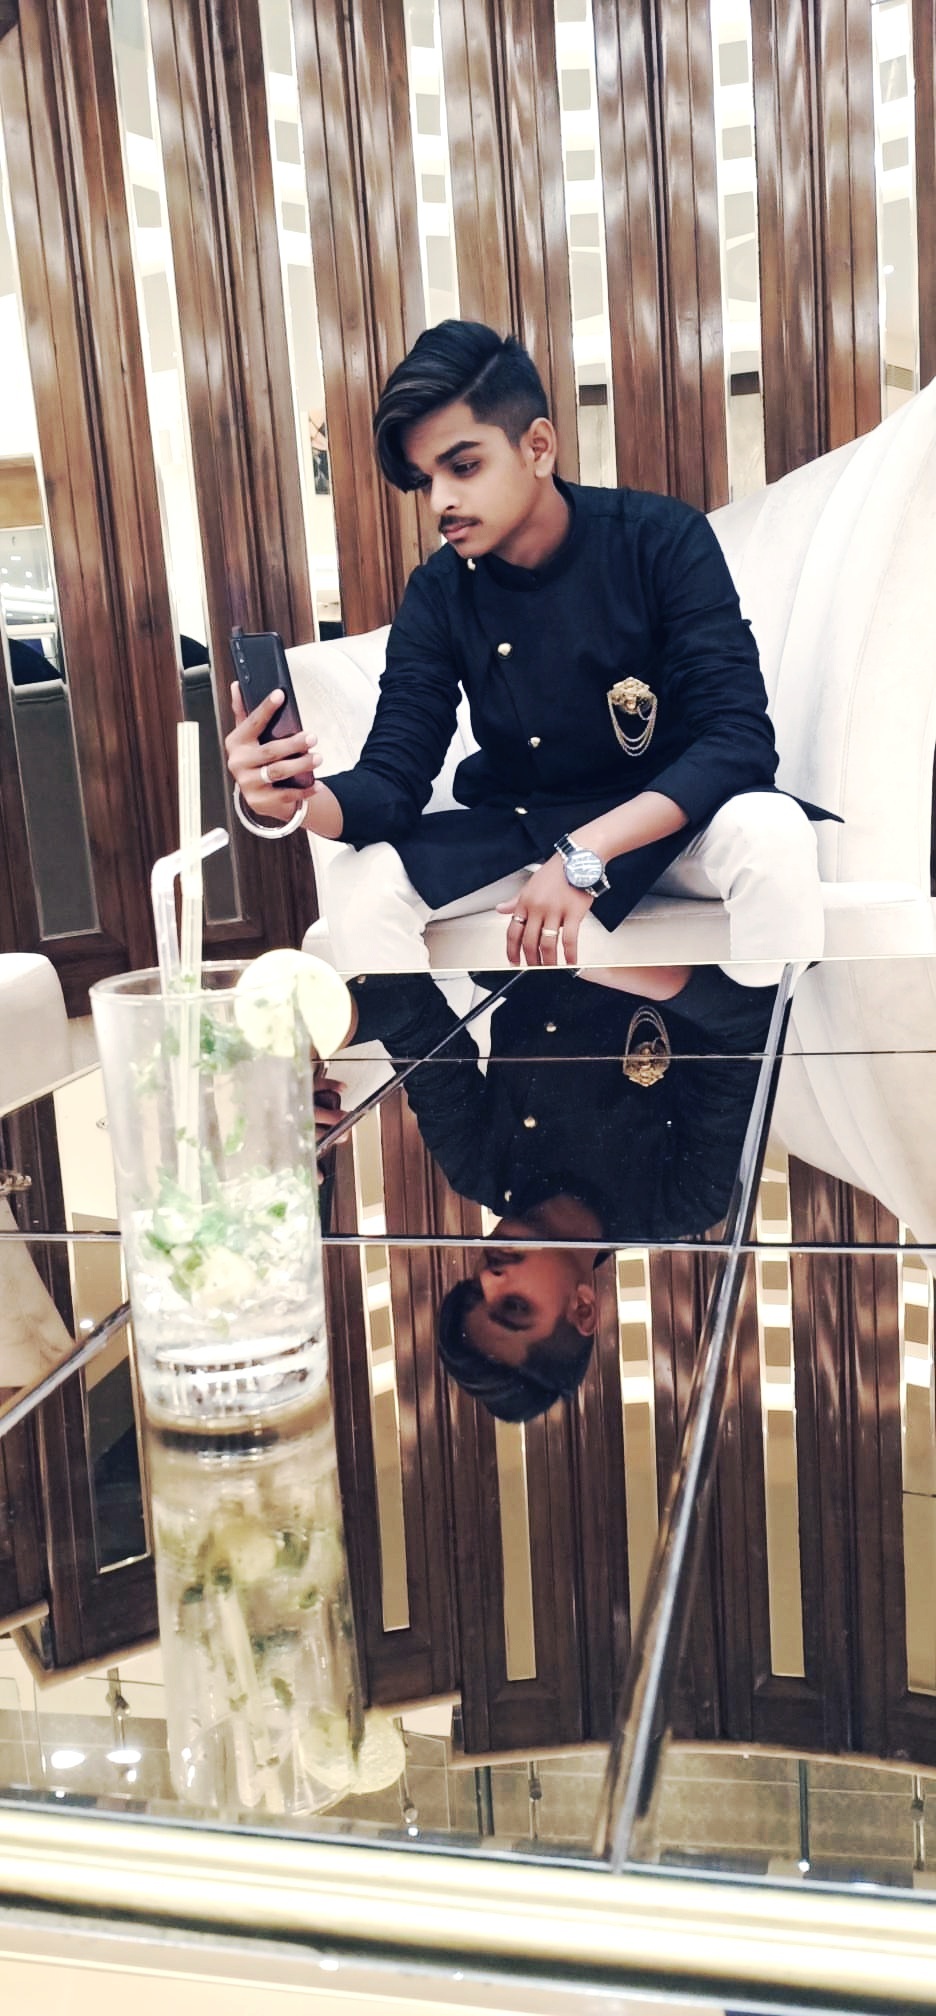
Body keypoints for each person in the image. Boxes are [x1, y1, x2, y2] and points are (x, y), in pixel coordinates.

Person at [226, 319, 831, 980]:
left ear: (537, 447)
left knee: (771, 833)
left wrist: (584, 853)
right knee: (361, 882)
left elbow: (737, 740)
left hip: (668, 822)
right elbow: (393, 781)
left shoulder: (660, 539)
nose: (441, 501)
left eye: (463, 466)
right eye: (425, 481)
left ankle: (767, 1042)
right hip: (522, 823)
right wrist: (294, 797)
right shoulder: (438, 592)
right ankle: (425, 1054)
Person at [338, 960, 777, 1421]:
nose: (488, 1277)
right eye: (514, 1306)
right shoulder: (685, 1197)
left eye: (474, 1291)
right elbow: (748, 1020)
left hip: (517, 934)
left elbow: (411, 1013)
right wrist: (594, 960)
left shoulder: (476, 1165)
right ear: (583, 1308)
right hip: (670, 926)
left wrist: (305, 1050)